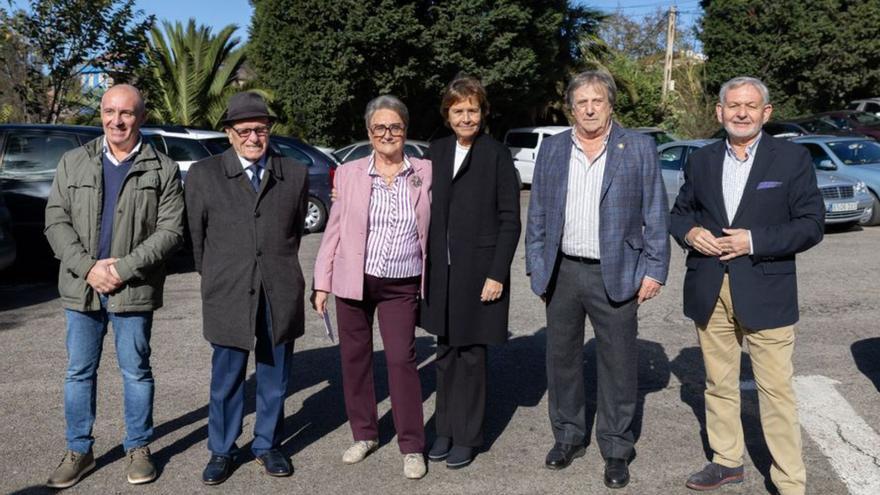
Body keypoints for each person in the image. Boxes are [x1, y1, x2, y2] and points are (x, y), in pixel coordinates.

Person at [670, 76, 823, 495]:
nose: (741, 113)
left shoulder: (791, 160)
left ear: (766, 113)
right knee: (718, 384)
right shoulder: (700, 161)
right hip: (709, 287)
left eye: (750, 106)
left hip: (766, 289)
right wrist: (690, 233)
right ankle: (726, 461)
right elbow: (680, 213)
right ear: (719, 112)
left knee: (775, 392)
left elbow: (811, 225)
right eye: (733, 105)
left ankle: (790, 482)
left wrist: (752, 241)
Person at [525, 70, 670, 489]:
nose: (590, 109)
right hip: (563, 270)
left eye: (598, 101)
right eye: (582, 102)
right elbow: (537, 214)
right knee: (562, 361)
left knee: (619, 366)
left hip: (618, 271)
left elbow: (656, 213)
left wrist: (655, 269)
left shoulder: (638, 148)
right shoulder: (553, 150)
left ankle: (616, 448)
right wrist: (538, 266)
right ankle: (568, 437)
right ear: (572, 107)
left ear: (610, 105)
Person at [44, 84, 185, 488]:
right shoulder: (74, 162)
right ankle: (79, 450)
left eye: (125, 113)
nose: (116, 120)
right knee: (78, 373)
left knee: (136, 372)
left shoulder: (163, 168)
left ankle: (138, 448)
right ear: (101, 114)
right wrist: (88, 269)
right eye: (109, 111)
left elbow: (170, 231)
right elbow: (56, 222)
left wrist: (122, 269)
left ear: (141, 117)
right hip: (81, 287)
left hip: (132, 289)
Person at [185, 92, 309, 485]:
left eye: (261, 129)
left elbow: (293, 236)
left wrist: (275, 267)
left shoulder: (295, 173)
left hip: (278, 287)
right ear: (229, 134)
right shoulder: (204, 175)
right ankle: (222, 449)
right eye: (245, 131)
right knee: (227, 377)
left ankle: (267, 444)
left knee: (275, 374)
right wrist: (221, 273)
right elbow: (197, 239)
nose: (254, 138)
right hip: (228, 289)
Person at [312, 95, 431, 480]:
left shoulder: (426, 170)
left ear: (405, 130)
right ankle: (364, 433)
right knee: (355, 360)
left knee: (400, 360)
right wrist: (322, 281)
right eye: (379, 127)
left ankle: (412, 445)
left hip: (402, 281)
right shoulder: (349, 173)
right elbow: (334, 230)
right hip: (353, 279)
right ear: (368, 132)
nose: (387, 134)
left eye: (395, 126)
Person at [420, 75, 521, 469]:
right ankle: (443, 429)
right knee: (445, 352)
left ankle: (468, 435)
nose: (466, 117)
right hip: (441, 274)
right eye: (458, 110)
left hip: (479, 272)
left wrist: (497, 273)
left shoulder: (496, 154)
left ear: (483, 113)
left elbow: (510, 219)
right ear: (447, 114)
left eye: (472, 110)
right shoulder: (437, 150)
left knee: (471, 356)